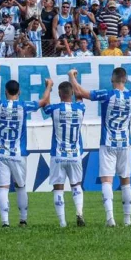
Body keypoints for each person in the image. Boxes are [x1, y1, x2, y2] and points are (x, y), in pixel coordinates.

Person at [69, 58, 131, 227]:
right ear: (126, 80)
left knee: (107, 180)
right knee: (125, 180)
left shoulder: (107, 94)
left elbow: (80, 92)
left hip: (108, 143)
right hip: (125, 143)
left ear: (112, 80)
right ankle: (127, 220)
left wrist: (71, 76)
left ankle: (110, 218)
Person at [0, 64, 51, 227]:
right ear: (19, 92)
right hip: (18, 154)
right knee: (20, 187)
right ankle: (23, 219)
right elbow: (43, 102)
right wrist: (48, 86)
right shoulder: (24, 106)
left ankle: (5, 222)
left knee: (3, 188)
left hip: (1, 153)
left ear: (6, 92)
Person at [44, 79, 86, 228]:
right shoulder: (81, 108)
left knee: (58, 188)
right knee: (76, 185)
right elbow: (80, 96)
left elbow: (45, 104)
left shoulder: (55, 109)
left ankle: (62, 223)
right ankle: (79, 212)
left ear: (59, 94)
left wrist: (48, 86)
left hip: (58, 155)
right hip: (75, 155)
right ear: (72, 93)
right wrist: (74, 78)